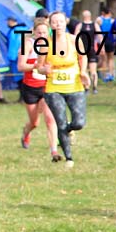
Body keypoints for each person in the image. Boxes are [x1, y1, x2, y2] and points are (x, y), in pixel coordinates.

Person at [36, 11, 90, 168]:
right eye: (54, 22)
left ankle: (69, 128)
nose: (58, 24)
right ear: (50, 24)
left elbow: (83, 57)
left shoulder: (74, 40)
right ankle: (69, 158)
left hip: (74, 85)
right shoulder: (45, 43)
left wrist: (83, 72)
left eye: (60, 21)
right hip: (54, 89)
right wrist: (43, 70)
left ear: (65, 23)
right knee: (59, 123)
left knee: (79, 122)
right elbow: (39, 66)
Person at [18, 18, 60, 161]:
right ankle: (25, 133)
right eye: (39, 32)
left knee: (50, 118)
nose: (42, 34)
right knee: (34, 122)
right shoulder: (27, 44)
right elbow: (21, 66)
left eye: (44, 32)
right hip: (30, 87)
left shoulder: (52, 45)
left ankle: (54, 151)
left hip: (46, 86)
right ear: (34, 32)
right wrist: (37, 65)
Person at [74, 10, 101, 95]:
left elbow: (75, 37)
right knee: (91, 70)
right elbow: (100, 36)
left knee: (86, 70)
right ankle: (93, 87)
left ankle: (88, 87)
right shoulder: (93, 25)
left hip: (85, 49)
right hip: (90, 49)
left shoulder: (81, 25)